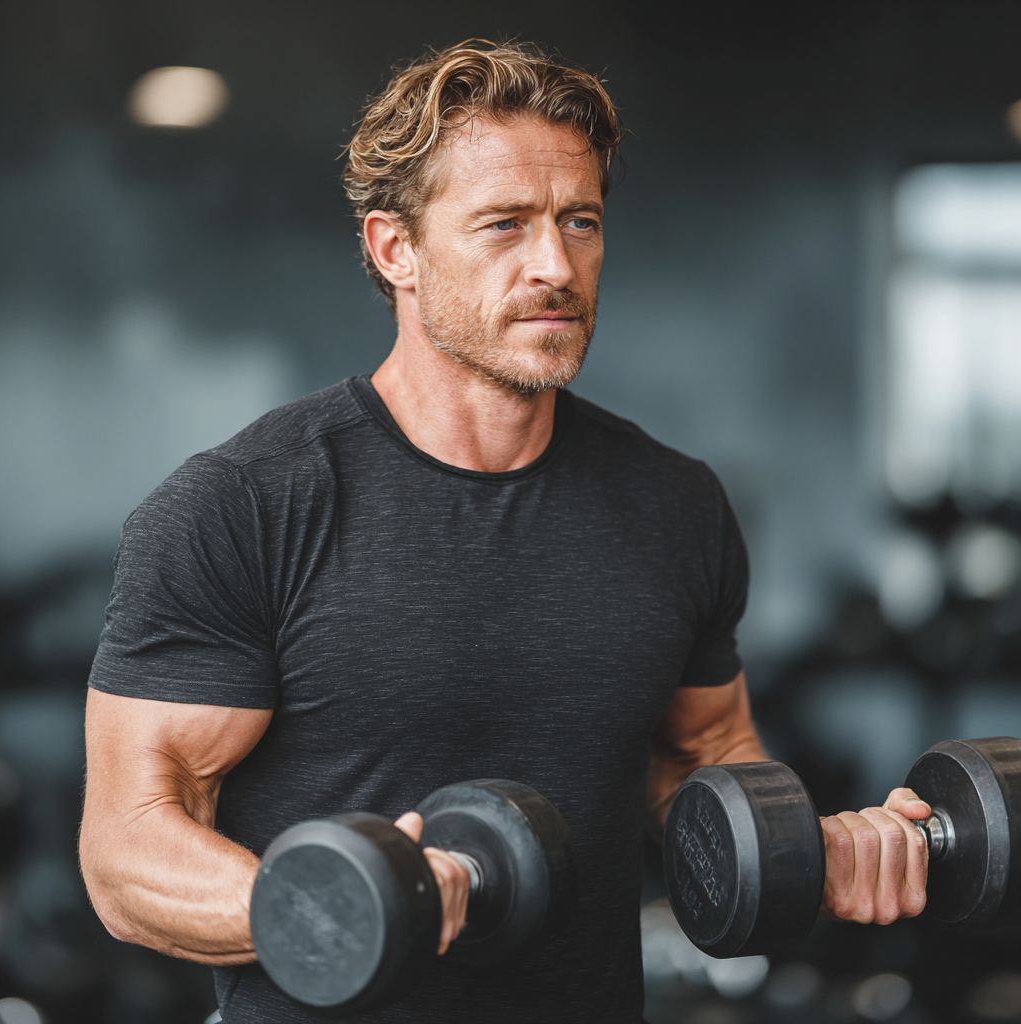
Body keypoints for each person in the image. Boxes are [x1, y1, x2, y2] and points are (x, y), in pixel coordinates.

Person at [79, 40, 931, 1024]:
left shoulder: (675, 503)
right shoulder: (243, 507)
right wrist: (343, 904)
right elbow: (128, 850)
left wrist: (809, 852)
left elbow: (700, 753)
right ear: (395, 248)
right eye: (504, 225)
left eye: (580, 221)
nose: (555, 266)